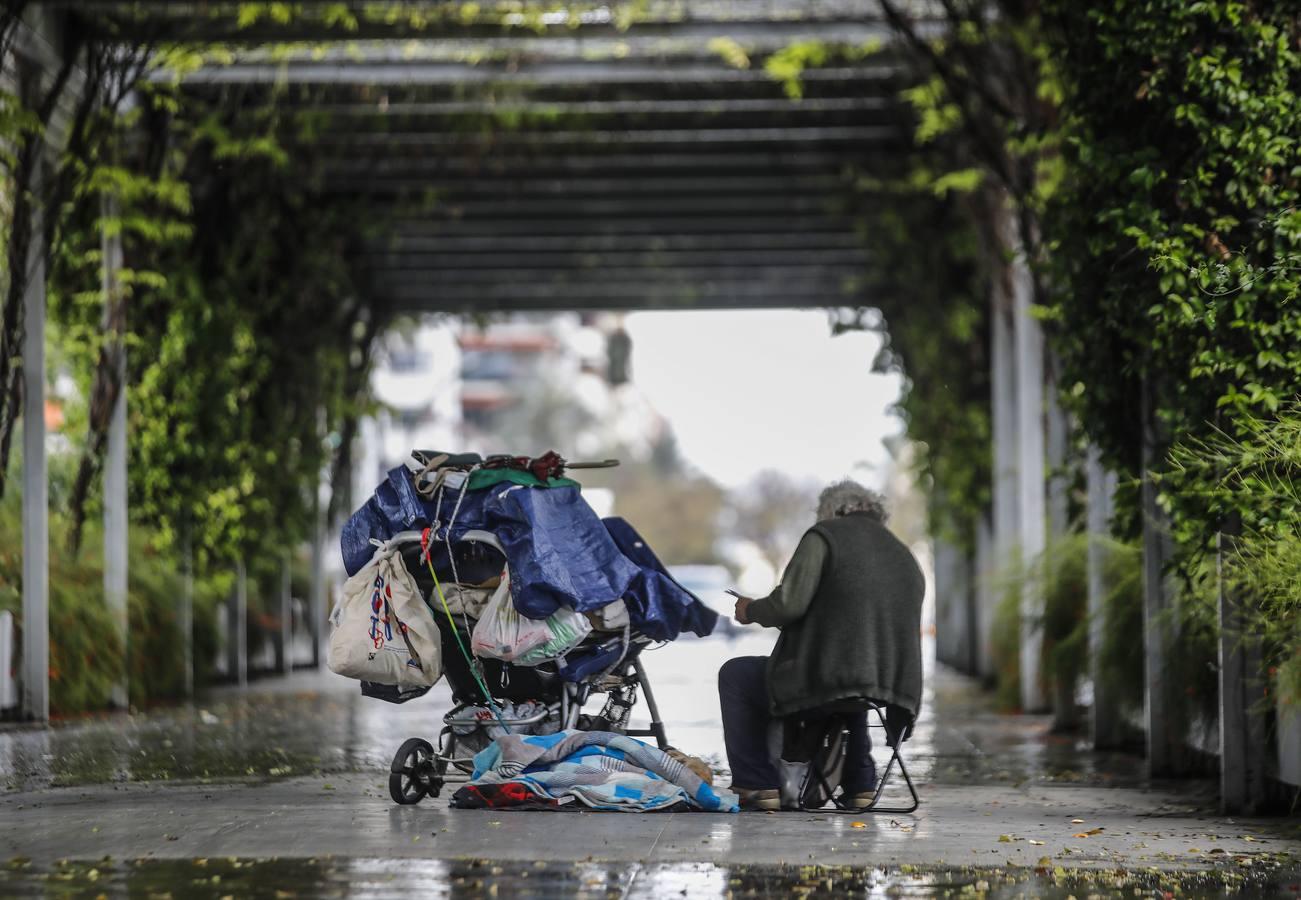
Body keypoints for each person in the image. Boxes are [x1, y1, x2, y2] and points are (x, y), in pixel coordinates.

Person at [718, 479, 925, 811]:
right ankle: (860, 784)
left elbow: (788, 605)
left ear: (830, 510)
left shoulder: (825, 537)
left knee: (736, 674)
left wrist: (750, 610)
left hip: (829, 680)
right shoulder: (902, 553)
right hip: (892, 684)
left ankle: (757, 784)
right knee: (854, 682)